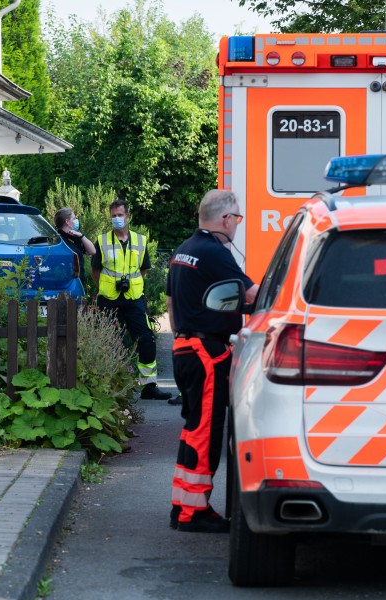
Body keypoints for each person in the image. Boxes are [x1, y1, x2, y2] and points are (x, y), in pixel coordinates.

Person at [166, 189, 258, 533]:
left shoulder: (183, 251)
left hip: (184, 348)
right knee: (204, 433)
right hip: (206, 353)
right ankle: (193, 512)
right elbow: (250, 295)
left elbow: (173, 308)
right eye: (237, 218)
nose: (237, 225)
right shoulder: (214, 252)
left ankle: (183, 505)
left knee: (193, 429)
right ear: (225, 219)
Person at [92, 199, 175, 402]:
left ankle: (148, 386)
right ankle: (108, 386)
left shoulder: (140, 240)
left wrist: (132, 283)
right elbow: (95, 270)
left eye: (120, 215)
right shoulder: (101, 241)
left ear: (128, 217)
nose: (117, 219)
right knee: (107, 341)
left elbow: (143, 269)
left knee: (146, 339)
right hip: (109, 299)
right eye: (113, 215)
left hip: (134, 298)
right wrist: (106, 286)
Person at [54, 207, 95, 289]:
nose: (76, 220)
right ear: (67, 221)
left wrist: (81, 235)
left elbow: (92, 251)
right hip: (66, 286)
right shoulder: (57, 239)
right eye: (74, 218)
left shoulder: (74, 237)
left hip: (78, 284)